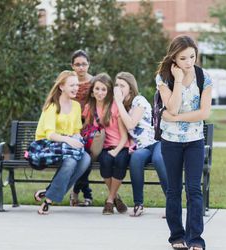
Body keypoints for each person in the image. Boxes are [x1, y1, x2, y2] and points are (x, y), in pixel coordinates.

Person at [155, 35, 212, 250]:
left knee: (194, 190)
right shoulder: (163, 77)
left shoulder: (204, 77)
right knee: (173, 190)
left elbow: (204, 112)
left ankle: (195, 239)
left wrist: (176, 119)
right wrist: (177, 80)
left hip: (194, 141)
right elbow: (171, 107)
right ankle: (176, 237)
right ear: (174, 60)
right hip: (171, 142)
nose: (189, 62)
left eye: (192, 57)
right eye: (183, 58)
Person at [34, 70, 91, 215]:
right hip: (48, 146)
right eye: (72, 85)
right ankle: (48, 201)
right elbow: (50, 134)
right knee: (71, 162)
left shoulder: (76, 106)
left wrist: (77, 139)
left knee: (86, 159)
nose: (75, 88)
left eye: (77, 85)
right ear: (61, 87)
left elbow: (77, 130)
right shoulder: (52, 106)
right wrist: (70, 140)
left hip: (67, 145)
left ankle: (49, 192)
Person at [113, 72, 168, 217]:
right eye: (117, 85)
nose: (118, 88)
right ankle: (139, 204)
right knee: (136, 159)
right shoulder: (122, 107)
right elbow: (127, 132)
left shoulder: (139, 100)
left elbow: (131, 124)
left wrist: (118, 103)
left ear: (130, 88)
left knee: (158, 159)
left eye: (122, 85)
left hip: (157, 142)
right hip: (143, 148)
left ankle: (172, 204)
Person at [83, 73, 130, 215]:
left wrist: (117, 150)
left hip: (121, 145)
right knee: (105, 161)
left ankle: (109, 200)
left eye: (103, 89)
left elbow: (124, 136)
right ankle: (116, 197)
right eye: (97, 89)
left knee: (121, 161)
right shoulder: (89, 108)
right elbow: (87, 129)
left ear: (109, 91)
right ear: (92, 92)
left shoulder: (115, 107)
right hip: (102, 147)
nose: (100, 92)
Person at [70, 49, 94, 206]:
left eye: (83, 64)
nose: (80, 67)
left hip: (90, 127)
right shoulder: (69, 82)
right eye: (77, 64)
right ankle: (86, 193)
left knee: (87, 157)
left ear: (89, 65)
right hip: (71, 128)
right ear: (72, 66)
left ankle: (76, 191)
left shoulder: (94, 82)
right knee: (80, 157)